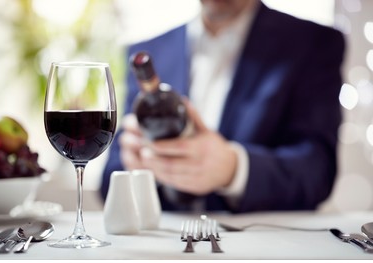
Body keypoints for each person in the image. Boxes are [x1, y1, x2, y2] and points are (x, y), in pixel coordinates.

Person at [100, 0, 345, 213]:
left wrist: (233, 168)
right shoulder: (148, 53)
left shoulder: (313, 43)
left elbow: (317, 171)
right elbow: (108, 181)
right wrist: (135, 165)